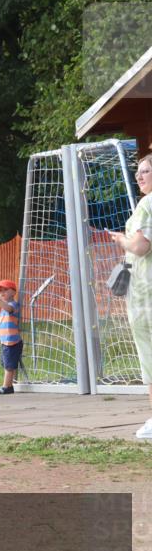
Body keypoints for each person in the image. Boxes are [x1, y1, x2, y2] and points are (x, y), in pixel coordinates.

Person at [108, 153, 152, 439]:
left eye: (146, 171)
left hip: (146, 296)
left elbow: (140, 245)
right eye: (138, 172)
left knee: (149, 358)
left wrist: (121, 240)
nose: (140, 176)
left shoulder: (148, 203)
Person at [0, 279, 22, 395]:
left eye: (5, 290)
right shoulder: (3, 307)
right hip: (6, 342)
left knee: (9, 366)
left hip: (12, 342)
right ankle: (9, 385)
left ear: (13, 292)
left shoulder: (13, 305)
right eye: (0, 291)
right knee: (6, 364)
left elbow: (9, 309)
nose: (2, 292)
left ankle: (6, 387)